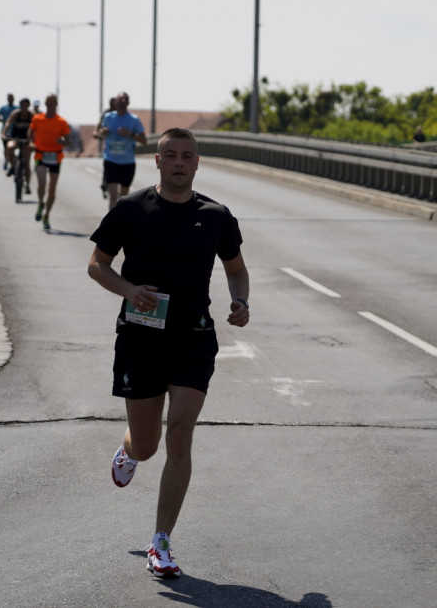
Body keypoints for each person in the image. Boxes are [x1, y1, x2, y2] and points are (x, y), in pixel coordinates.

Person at [86, 127, 251, 580]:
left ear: (197, 163)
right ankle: (130, 449)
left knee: (180, 432)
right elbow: (97, 264)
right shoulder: (131, 209)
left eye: (188, 156)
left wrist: (241, 302)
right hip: (140, 336)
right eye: (171, 155)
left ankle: (161, 540)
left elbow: (236, 270)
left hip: (194, 336)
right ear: (157, 162)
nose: (180, 162)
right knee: (149, 444)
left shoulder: (216, 216)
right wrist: (128, 290)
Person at [98, 91, 147, 209]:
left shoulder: (134, 119)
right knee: (113, 195)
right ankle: (112, 224)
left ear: (128, 102)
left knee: (123, 197)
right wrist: (103, 132)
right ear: (115, 102)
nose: (123, 101)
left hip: (127, 162)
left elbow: (144, 140)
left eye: (125, 99)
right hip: (111, 160)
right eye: (120, 99)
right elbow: (101, 132)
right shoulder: (108, 117)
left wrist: (129, 134)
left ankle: (121, 222)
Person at [29, 94, 70, 229]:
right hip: (40, 155)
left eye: (53, 103)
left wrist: (62, 141)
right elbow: (31, 132)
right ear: (45, 104)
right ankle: (41, 203)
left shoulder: (61, 121)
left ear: (56, 104)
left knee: (52, 189)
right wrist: (31, 143)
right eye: (49, 103)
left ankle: (46, 215)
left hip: (55, 157)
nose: (51, 105)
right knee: (42, 184)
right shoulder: (38, 118)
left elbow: (68, 140)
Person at [1, 97, 34, 194]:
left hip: (27, 140)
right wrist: (4, 134)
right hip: (15, 138)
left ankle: (27, 185)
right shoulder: (16, 114)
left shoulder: (31, 115)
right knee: (10, 147)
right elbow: (7, 123)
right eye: (22, 106)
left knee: (27, 163)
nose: (24, 108)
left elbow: (37, 127)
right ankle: (12, 165)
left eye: (26, 106)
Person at [95, 97, 118, 198]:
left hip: (122, 148)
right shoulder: (107, 114)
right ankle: (105, 183)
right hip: (109, 146)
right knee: (108, 165)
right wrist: (97, 132)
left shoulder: (121, 113)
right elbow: (99, 124)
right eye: (111, 104)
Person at [0, 93, 18, 172]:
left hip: (15, 131)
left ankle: (12, 160)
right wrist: (4, 121)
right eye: (9, 98)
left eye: (11, 98)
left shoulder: (17, 108)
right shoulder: (3, 108)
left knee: (14, 146)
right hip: (5, 130)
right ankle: (6, 159)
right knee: (6, 147)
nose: (10, 99)